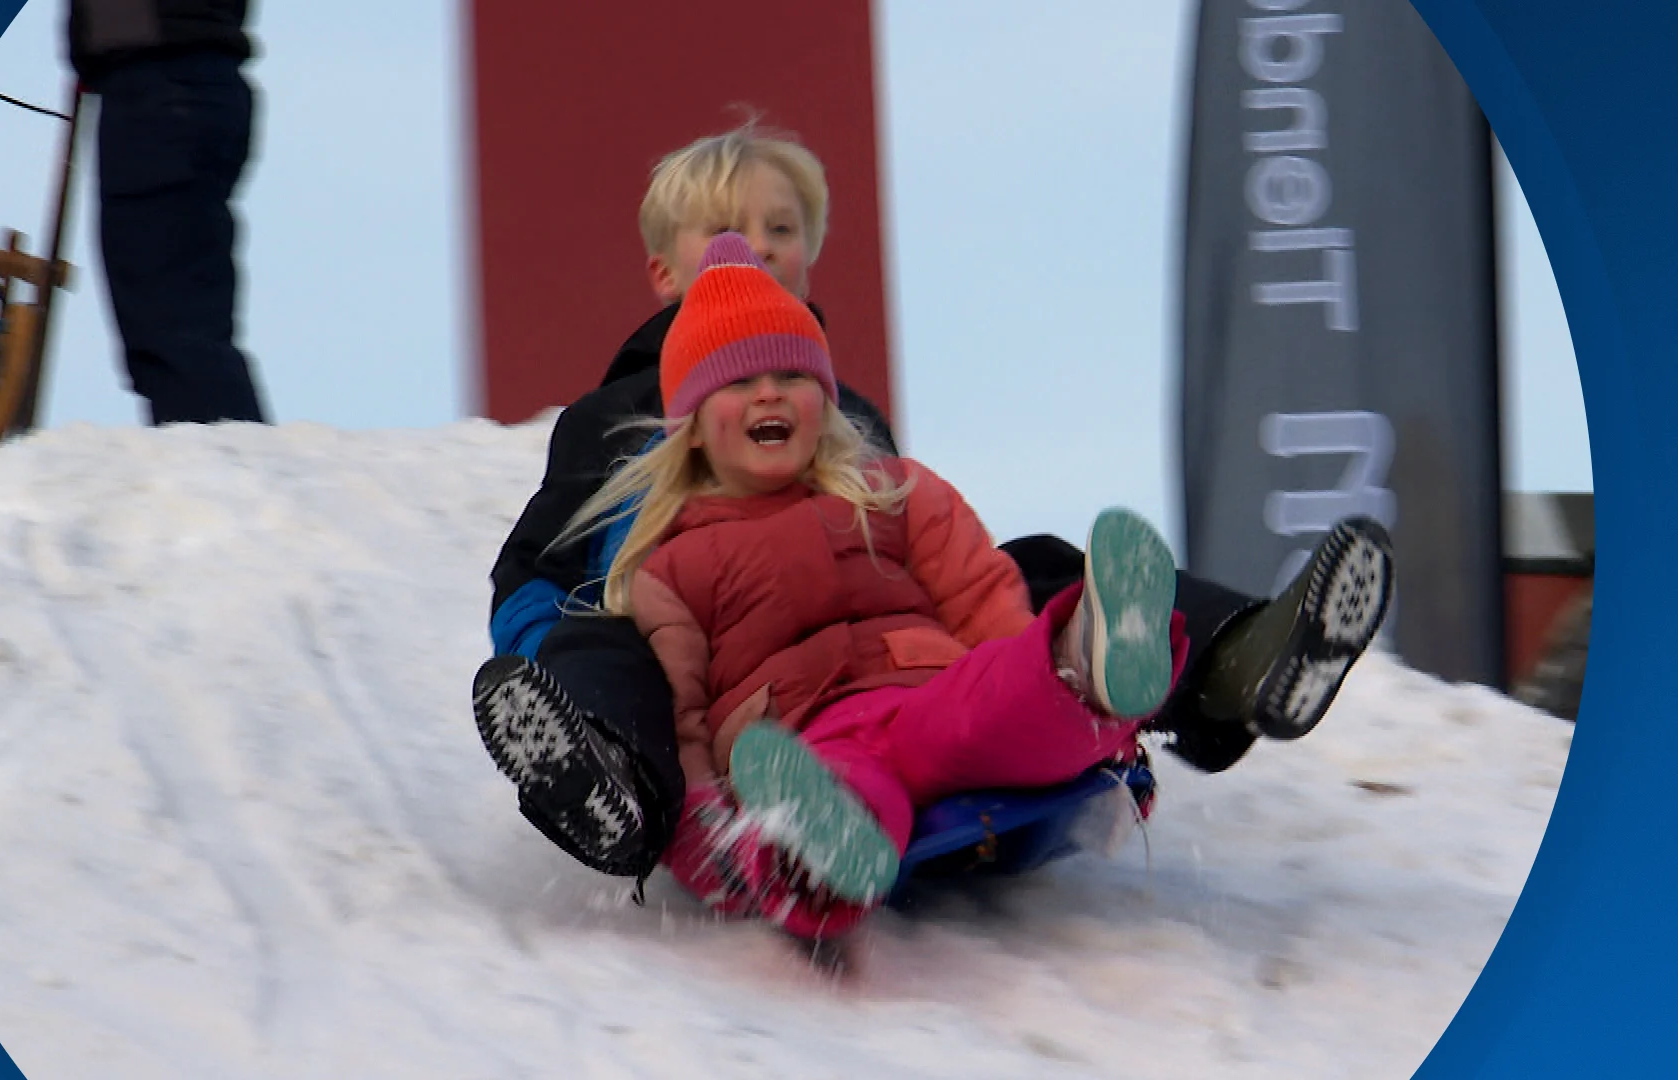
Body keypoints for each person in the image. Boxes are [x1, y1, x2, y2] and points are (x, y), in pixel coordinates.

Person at [473, 122, 1395, 897]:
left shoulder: (840, 410)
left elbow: (924, 544)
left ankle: (1232, 660)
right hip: (712, 654)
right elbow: (537, 565)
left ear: (809, 257)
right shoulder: (615, 414)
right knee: (605, 648)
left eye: (780, 228)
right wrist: (554, 644)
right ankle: (614, 778)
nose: (756, 246)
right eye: (724, 230)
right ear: (664, 274)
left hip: (888, 655)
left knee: (1035, 566)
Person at [562, 231, 1218, 937]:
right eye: (739, 383)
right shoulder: (671, 568)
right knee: (844, 786)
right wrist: (709, 837)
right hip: (806, 737)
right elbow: (685, 724)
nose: (769, 393)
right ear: (690, 428)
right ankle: (808, 849)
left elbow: (981, 598)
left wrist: (1044, 685)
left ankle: (1087, 673)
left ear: (824, 401)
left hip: (928, 688)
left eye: (792, 376)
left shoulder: (893, 494)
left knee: (998, 698)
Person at [65, 0, 270, 426]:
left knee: (167, 320)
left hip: (157, 79)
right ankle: (218, 446)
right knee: (176, 310)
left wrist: (98, 48)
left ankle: (217, 452)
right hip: (194, 79)